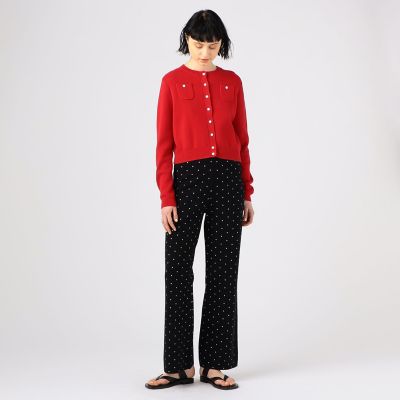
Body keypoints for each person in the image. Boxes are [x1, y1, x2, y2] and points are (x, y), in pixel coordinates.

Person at [145, 9, 255, 390]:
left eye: (212, 44)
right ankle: (178, 366)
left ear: (221, 44)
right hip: (187, 181)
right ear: (187, 41)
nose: (205, 51)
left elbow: (242, 140)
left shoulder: (232, 83)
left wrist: (246, 191)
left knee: (223, 272)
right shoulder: (171, 82)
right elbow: (163, 146)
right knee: (177, 270)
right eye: (198, 44)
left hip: (227, 180)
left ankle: (214, 364)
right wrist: (167, 196)